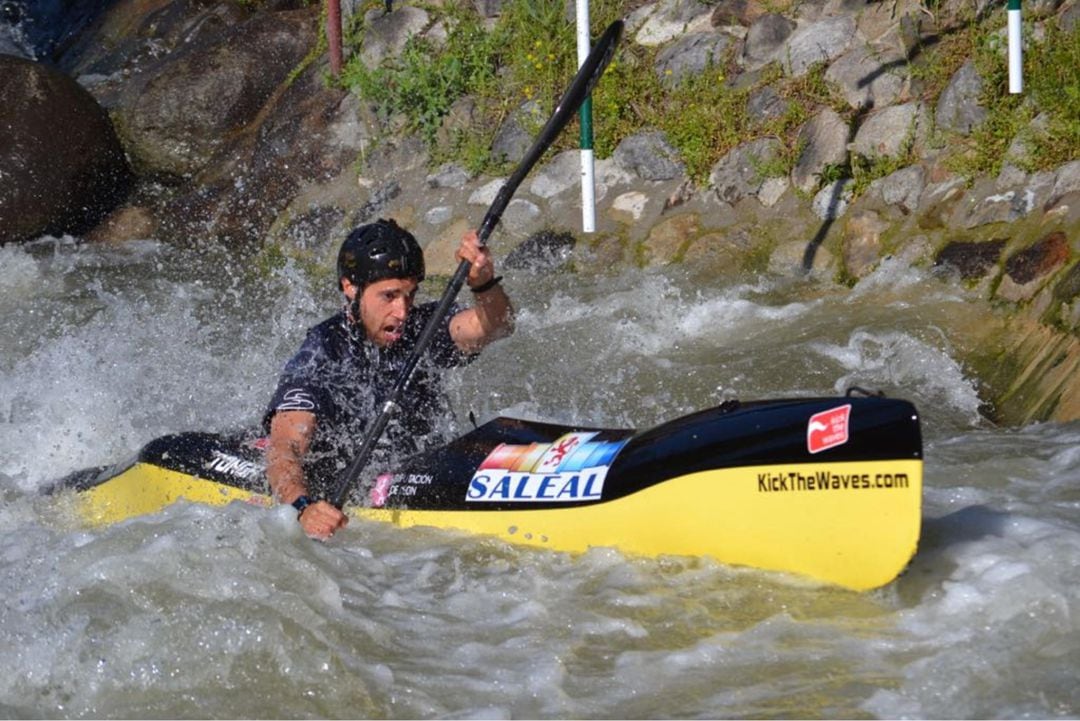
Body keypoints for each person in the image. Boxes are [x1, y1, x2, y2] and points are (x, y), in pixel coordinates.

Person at [263, 218, 514, 539]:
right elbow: (285, 447)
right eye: (389, 296)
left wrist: (483, 283)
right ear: (350, 288)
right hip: (356, 485)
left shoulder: (422, 326)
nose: (402, 311)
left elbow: (495, 326)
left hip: (427, 471)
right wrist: (303, 507)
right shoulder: (322, 352)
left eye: (410, 295)